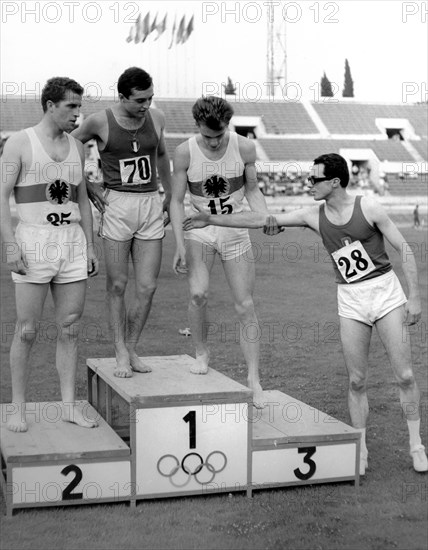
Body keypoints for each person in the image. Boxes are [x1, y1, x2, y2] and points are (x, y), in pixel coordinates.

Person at [183, 153, 428, 474]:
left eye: (314, 179)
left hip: (385, 294)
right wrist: (212, 220)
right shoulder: (313, 216)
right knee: (356, 380)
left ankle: (416, 445)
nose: (308, 184)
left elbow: (404, 248)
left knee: (405, 375)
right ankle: (361, 448)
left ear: (335, 182)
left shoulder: (369, 208)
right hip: (351, 299)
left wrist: (415, 296)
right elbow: (258, 220)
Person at [0, 77, 99, 432]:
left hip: (71, 242)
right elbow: (1, 196)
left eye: (79, 106)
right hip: (34, 241)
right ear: (50, 105)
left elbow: (82, 199)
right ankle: (17, 407)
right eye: (71, 106)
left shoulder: (77, 146)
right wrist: (10, 244)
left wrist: (88, 245)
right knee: (27, 330)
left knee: (70, 327)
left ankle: (68, 405)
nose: (78, 113)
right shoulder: (19, 143)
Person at [170, 95, 279, 409]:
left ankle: (254, 379)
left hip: (234, 231)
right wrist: (178, 243)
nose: (214, 142)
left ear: (228, 127)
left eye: (219, 136)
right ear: (197, 127)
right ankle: (202, 352)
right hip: (199, 230)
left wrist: (265, 216)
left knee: (245, 305)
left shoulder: (244, 147)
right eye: (207, 136)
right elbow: (176, 202)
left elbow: (253, 189)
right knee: (197, 294)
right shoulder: (184, 152)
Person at [72, 67, 171, 378]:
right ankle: (119, 351)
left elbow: (162, 154)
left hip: (150, 204)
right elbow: (69, 145)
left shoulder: (157, 118)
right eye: (140, 100)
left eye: (150, 98)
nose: (146, 105)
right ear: (122, 96)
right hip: (117, 204)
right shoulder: (100, 120)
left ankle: (131, 347)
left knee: (148, 286)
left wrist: (168, 194)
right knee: (117, 285)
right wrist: (86, 184)